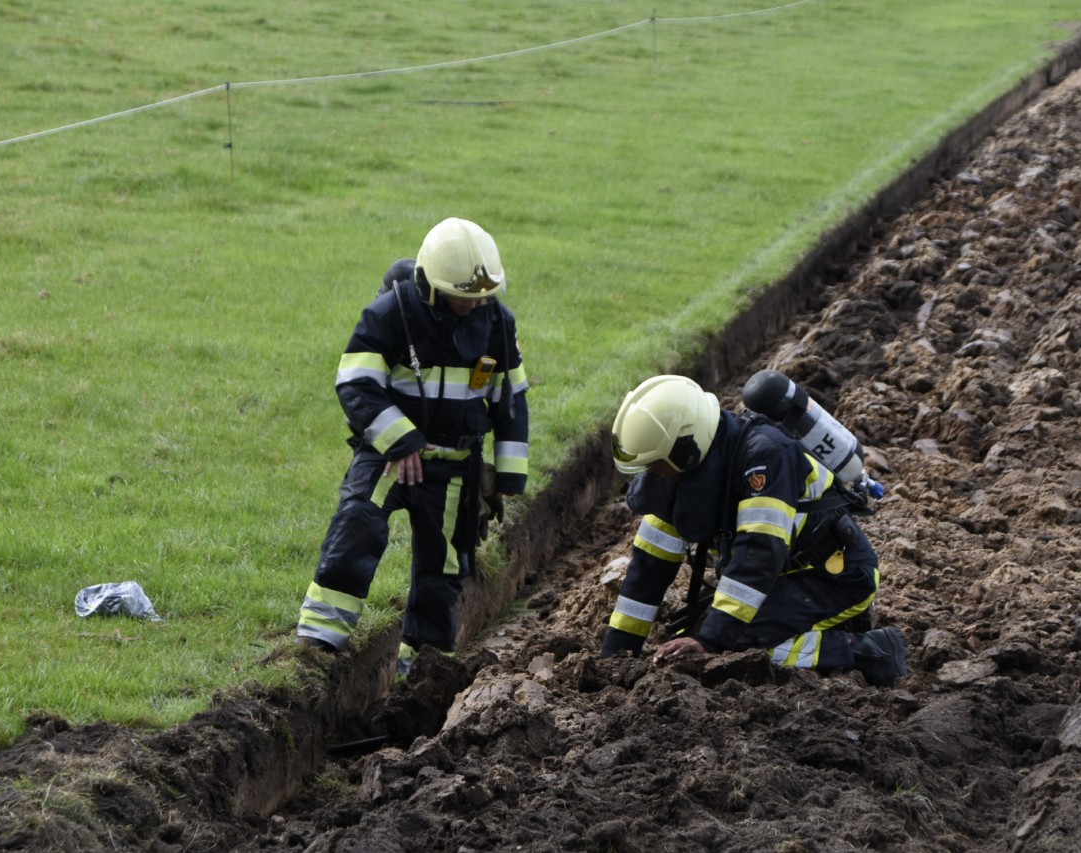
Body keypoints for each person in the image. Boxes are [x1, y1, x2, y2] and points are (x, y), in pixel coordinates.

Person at [296, 217, 529, 677]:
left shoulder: (498, 324)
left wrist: (507, 477)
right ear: (433, 284)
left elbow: (511, 400)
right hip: (389, 459)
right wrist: (400, 441)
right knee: (358, 527)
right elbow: (356, 382)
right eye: (465, 295)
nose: (475, 304)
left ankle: (422, 677)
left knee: (442, 575)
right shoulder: (390, 314)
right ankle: (318, 646)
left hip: (454, 469)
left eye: (482, 295)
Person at [600, 374, 907, 686]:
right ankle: (820, 629)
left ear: (684, 448)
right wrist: (614, 656)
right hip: (778, 582)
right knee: (694, 643)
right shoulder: (676, 478)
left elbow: (759, 553)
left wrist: (712, 644)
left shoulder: (766, 455)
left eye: (654, 463)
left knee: (734, 648)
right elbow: (648, 570)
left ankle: (870, 652)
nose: (651, 472)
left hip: (835, 578)